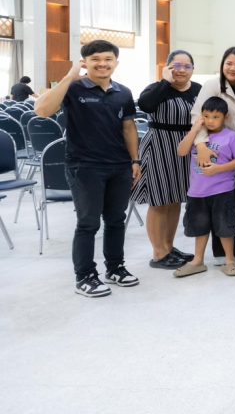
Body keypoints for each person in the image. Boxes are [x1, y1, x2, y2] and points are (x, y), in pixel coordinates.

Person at [35, 40, 141, 298]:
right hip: (84, 166)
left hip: (119, 165)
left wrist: (135, 160)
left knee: (116, 220)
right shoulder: (73, 88)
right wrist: (71, 75)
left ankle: (115, 268)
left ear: (116, 62)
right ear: (85, 62)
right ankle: (84, 276)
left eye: (108, 59)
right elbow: (42, 110)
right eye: (95, 59)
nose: (102, 64)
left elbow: (128, 128)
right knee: (88, 223)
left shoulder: (123, 92)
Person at [131, 50, 201, 270]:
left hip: (185, 148)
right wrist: (165, 81)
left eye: (187, 66)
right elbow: (146, 105)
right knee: (159, 201)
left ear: (193, 69)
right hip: (159, 146)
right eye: (176, 66)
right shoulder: (156, 88)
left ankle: (169, 247)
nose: (181, 70)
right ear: (168, 67)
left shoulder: (198, 90)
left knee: (175, 199)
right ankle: (159, 253)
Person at [190, 47, 235, 258]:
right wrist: (201, 145)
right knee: (220, 202)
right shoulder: (213, 85)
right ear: (222, 65)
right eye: (229, 63)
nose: (233, 68)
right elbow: (198, 116)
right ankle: (221, 252)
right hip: (219, 153)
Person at [173, 97, 235, 278]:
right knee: (200, 227)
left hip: (222, 191)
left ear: (225, 117)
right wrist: (195, 129)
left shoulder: (232, 137)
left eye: (215, 117)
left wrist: (218, 169)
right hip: (197, 192)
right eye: (206, 116)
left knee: (225, 226)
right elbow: (181, 151)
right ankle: (198, 260)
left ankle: (230, 260)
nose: (210, 121)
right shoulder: (198, 136)